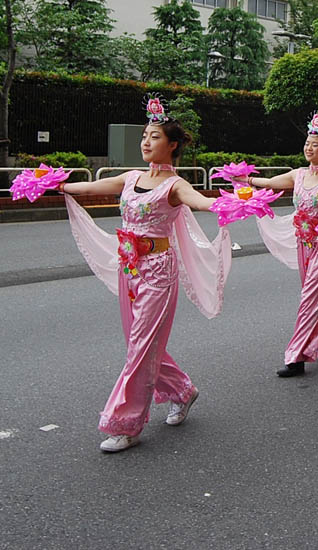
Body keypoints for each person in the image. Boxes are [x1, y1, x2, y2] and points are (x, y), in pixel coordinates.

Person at [61, 97, 229, 452]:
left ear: (172, 145)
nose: (146, 142)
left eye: (154, 137)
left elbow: (203, 202)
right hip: (130, 268)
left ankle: (126, 424)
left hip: (157, 272)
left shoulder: (175, 186)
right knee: (140, 345)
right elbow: (91, 188)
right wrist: (55, 184)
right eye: (144, 137)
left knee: (140, 346)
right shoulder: (131, 177)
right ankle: (183, 390)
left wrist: (234, 201)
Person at [242, 111, 318, 377]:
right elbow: (270, 183)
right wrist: (247, 180)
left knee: (310, 297)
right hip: (304, 244)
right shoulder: (298, 174)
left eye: (315, 145)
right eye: (307, 143)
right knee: (315, 296)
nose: (309, 148)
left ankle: (296, 356)